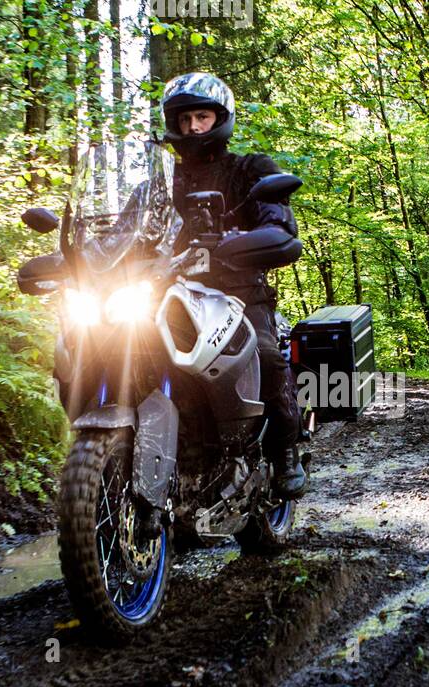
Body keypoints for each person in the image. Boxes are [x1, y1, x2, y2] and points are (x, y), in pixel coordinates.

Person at [161, 72, 308, 499]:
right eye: (185, 119)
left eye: (202, 117)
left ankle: (285, 451)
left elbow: (279, 223)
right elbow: (127, 228)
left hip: (238, 294)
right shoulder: (161, 179)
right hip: (168, 295)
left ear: (220, 119)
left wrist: (246, 243)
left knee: (262, 353)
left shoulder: (250, 169)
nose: (192, 128)